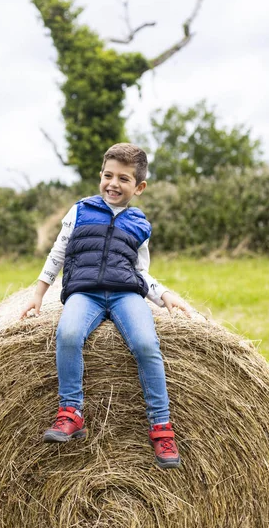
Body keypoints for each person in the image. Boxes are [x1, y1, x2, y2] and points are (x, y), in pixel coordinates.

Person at [21, 143, 192, 469]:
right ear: (100, 176)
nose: (113, 183)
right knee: (68, 334)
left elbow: (141, 272)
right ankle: (71, 411)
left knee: (145, 343)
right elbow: (57, 253)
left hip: (126, 294)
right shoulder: (80, 211)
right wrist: (38, 292)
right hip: (84, 293)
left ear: (139, 187)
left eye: (123, 179)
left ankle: (161, 426)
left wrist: (163, 294)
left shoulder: (140, 224)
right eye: (108, 175)